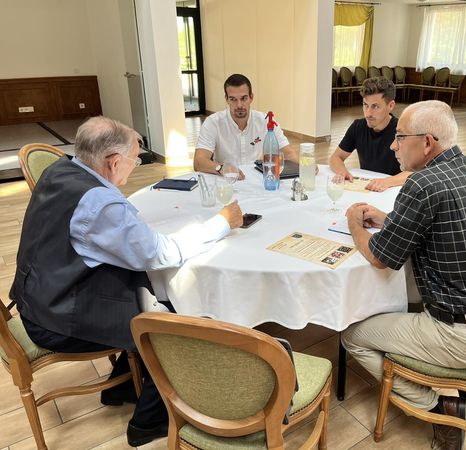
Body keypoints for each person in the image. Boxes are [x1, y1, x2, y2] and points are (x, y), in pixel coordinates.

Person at [10, 116, 243, 447]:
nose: (136, 165)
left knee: (151, 291)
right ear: (113, 161)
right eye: (135, 159)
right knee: (170, 322)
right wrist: (221, 223)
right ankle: (149, 421)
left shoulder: (60, 170)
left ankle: (120, 387)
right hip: (54, 317)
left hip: (36, 292)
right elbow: (159, 253)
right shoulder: (98, 204)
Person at [341, 101, 466, 450]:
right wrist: (387, 220)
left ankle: (440, 408)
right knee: (405, 289)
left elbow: (379, 258)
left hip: (464, 336)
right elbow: (439, 225)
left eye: (400, 137)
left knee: (352, 336)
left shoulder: (422, 184)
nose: (393, 146)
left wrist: (354, 224)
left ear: (428, 143)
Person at [194, 73, 298, 178]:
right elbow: (199, 161)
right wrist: (221, 168)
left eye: (244, 98)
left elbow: (289, 154)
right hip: (227, 180)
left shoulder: (266, 121)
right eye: (233, 99)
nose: (239, 105)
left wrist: (304, 168)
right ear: (226, 99)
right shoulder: (213, 122)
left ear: (251, 97)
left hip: (258, 180)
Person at [329, 76, 410, 191]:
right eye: (365, 105)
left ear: (391, 105)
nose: (368, 113)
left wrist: (387, 182)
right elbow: (336, 157)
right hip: (368, 189)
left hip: (393, 190)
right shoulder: (357, 127)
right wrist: (342, 172)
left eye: (375, 106)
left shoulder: (403, 131)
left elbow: (416, 172)